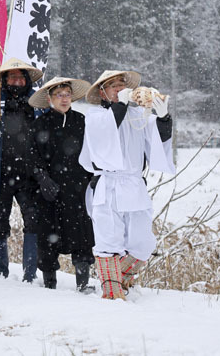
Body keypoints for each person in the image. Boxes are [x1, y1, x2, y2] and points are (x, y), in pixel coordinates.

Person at [79, 70, 174, 300]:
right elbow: (105, 134)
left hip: (133, 184)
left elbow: (157, 144)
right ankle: (112, 292)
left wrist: (163, 118)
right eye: (113, 85)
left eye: (122, 84)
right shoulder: (95, 117)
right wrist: (119, 106)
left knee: (142, 242)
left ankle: (115, 276)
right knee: (108, 239)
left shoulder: (139, 115)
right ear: (102, 92)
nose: (119, 88)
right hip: (108, 184)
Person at [0, 58, 43, 282]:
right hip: (0, 172)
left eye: (20, 77)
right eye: (12, 77)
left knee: (33, 220)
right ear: (4, 79)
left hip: (29, 173)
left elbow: (45, 131)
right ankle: (1, 271)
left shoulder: (35, 99)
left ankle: (30, 273)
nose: (17, 81)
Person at [27, 76, 95, 292]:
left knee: (81, 234)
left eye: (67, 94)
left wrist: (92, 177)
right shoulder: (40, 124)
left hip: (78, 188)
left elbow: (93, 151)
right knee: (48, 235)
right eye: (59, 95)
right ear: (49, 98)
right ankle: (49, 283)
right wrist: (42, 177)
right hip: (49, 190)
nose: (64, 99)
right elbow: (31, 156)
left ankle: (83, 283)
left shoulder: (81, 121)